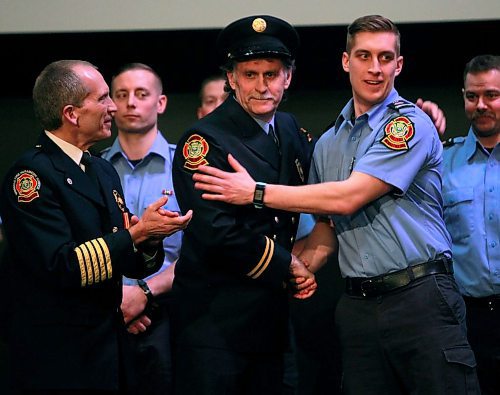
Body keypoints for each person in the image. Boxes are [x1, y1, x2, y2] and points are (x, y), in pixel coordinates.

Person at [192, 15, 481, 394]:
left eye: (384, 57)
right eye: (364, 56)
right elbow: (327, 230)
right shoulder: (328, 143)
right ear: (346, 62)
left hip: (420, 299)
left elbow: (348, 198)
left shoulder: (409, 124)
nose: (375, 68)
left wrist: (255, 192)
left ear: (399, 64)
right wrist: (296, 266)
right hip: (358, 307)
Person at [0, 59, 192, 394]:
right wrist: (136, 234)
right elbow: (63, 265)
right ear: (72, 114)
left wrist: (150, 237)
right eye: (103, 98)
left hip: (107, 347)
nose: (113, 107)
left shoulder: (100, 170)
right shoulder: (31, 176)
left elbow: (127, 259)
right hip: (58, 354)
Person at [170, 15, 317, 395]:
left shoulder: (290, 129)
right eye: (250, 74)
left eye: (272, 74)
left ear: (288, 77)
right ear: (231, 79)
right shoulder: (204, 140)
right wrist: (289, 264)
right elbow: (217, 231)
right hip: (215, 325)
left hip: (272, 320)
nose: (262, 86)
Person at [100, 63, 181, 394]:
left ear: (160, 103)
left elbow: (204, 250)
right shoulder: (92, 170)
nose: (131, 102)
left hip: (173, 315)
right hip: (104, 316)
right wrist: (120, 300)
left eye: (141, 94)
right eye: (121, 94)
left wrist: (143, 294)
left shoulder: (186, 170)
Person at [442, 54, 500, 395]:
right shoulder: (443, 163)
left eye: (491, 95)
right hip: (466, 320)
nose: (481, 105)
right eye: (472, 96)